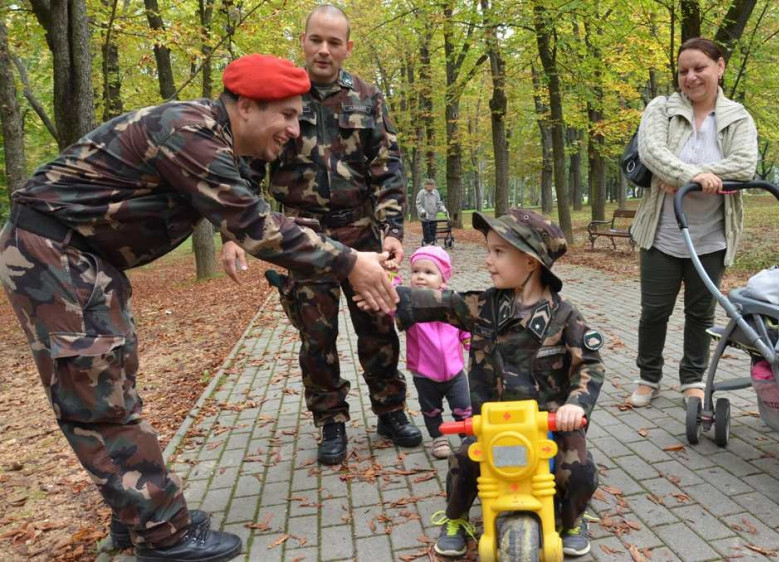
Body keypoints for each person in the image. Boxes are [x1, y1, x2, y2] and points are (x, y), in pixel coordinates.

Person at [0, 54, 398, 562]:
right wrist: (350, 262)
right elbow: (253, 225)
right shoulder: (187, 132)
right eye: (286, 115)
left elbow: (253, 216)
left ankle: (139, 514)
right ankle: (163, 537)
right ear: (247, 106)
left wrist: (343, 252)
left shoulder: (208, 136)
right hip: (55, 258)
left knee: (113, 387)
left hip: (81, 258)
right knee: (99, 400)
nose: (295, 131)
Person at [222, 4, 421, 465]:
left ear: (347, 47)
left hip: (362, 233)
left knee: (378, 326)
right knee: (317, 336)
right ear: (304, 41)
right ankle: (330, 421)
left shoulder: (368, 97)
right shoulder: (281, 97)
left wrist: (392, 230)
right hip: (302, 236)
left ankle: (391, 409)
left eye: (334, 42)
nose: (324, 50)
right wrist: (233, 232)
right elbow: (245, 168)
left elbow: (387, 168)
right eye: (316, 40)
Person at [389, 209, 605, 558]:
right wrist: (382, 291)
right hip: (494, 423)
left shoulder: (565, 315)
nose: (487, 260)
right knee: (463, 461)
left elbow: (589, 365)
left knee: (579, 470)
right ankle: (455, 519)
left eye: (498, 252)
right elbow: (436, 302)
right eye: (488, 250)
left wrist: (574, 405)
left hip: (549, 424)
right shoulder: (482, 306)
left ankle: (572, 521)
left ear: (531, 261)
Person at [628, 37, 758, 408]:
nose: (690, 77)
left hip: (712, 237)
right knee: (654, 312)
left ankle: (692, 379)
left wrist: (685, 178)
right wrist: (696, 176)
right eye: (683, 70)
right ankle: (648, 377)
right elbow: (652, 153)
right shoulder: (662, 109)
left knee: (700, 314)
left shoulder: (738, 118)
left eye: (699, 67)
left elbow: (744, 165)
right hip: (662, 234)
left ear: (720, 67)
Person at [404, 246, 471, 458]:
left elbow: (463, 327)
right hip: (424, 374)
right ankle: (438, 437)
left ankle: (467, 437)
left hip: (455, 372)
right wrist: (390, 274)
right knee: (431, 409)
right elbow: (390, 301)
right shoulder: (409, 305)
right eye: (415, 271)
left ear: (443, 278)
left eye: (428, 272)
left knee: (463, 407)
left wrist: (470, 341)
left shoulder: (451, 303)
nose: (420, 276)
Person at [416, 178, 447, 245]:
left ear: (434, 186)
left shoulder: (436, 192)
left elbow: (438, 203)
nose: (430, 186)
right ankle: (428, 243)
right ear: (426, 185)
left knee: (433, 231)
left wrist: (443, 209)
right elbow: (418, 204)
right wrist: (422, 211)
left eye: (432, 185)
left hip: (433, 216)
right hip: (425, 216)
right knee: (427, 232)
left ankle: (432, 243)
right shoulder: (421, 193)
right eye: (428, 184)